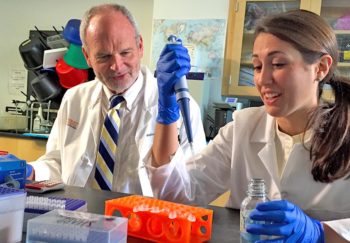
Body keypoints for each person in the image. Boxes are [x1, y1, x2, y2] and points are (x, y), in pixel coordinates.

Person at [148, 9, 350, 242]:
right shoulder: (242, 128)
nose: (263, 79)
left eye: (278, 63)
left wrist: (319, 233)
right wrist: (167, 110)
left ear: (321, 68)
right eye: (256, 66)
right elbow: (176, 196)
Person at [28, 3, 206, 196]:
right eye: (104, 57)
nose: (117, 66)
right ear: (87, 56)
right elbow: (57, 162)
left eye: (125, 52)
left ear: (140, 46)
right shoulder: (74, 98)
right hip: (77, 217)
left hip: (143, 221)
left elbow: (191, 187)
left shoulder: (181, 107)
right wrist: (30, 171)